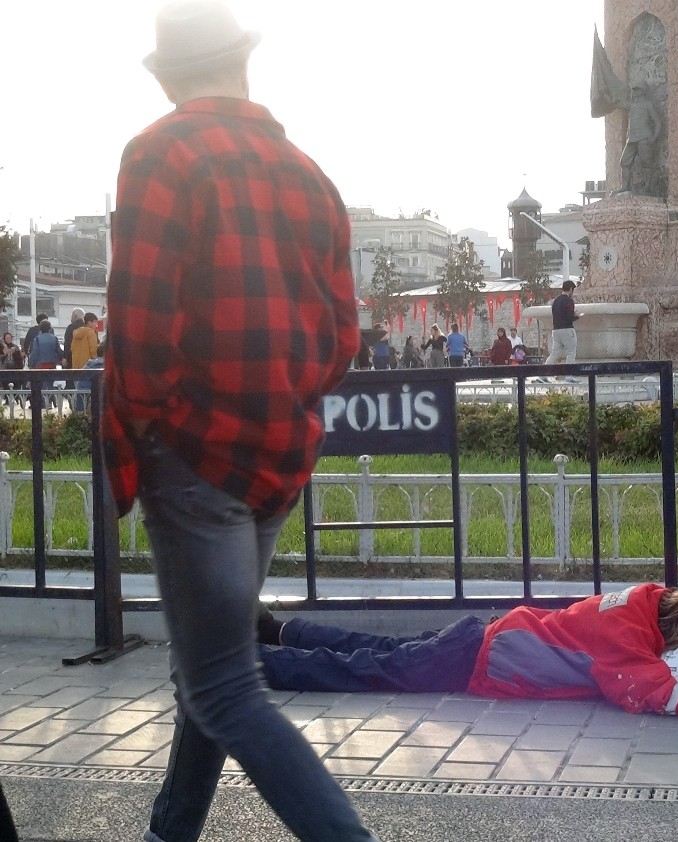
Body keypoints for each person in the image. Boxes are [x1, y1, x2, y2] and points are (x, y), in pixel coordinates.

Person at [102, 4, 376, 841]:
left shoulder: (159, 154)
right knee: (211, 668)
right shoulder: (307, 172)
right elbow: (341, 338)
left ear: (168, 76)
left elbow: (138, 329)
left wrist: (153, 430)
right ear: (242, 65)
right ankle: (169, 831)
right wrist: (285, 403)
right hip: (277, 461)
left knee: (223, 685)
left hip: (195, 458)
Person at [255, 585, 678, 725]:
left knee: (381, 651)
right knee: (372, 670)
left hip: (482, 636)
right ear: (675, 634)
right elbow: (665, 693)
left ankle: (280, 630)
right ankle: (258, 665)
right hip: (477, 661)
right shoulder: (627, 649)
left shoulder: (646, 604)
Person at [545, 280, 582, 366]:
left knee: (554, 354)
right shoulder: (569, 301)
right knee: (571, 353)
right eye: (573, 290)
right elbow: (569, 317)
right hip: (567, 330)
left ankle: (543, 373)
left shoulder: (556, 301)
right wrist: (577, 316)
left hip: (556, 330)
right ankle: (569, 375)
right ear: (570, 289)